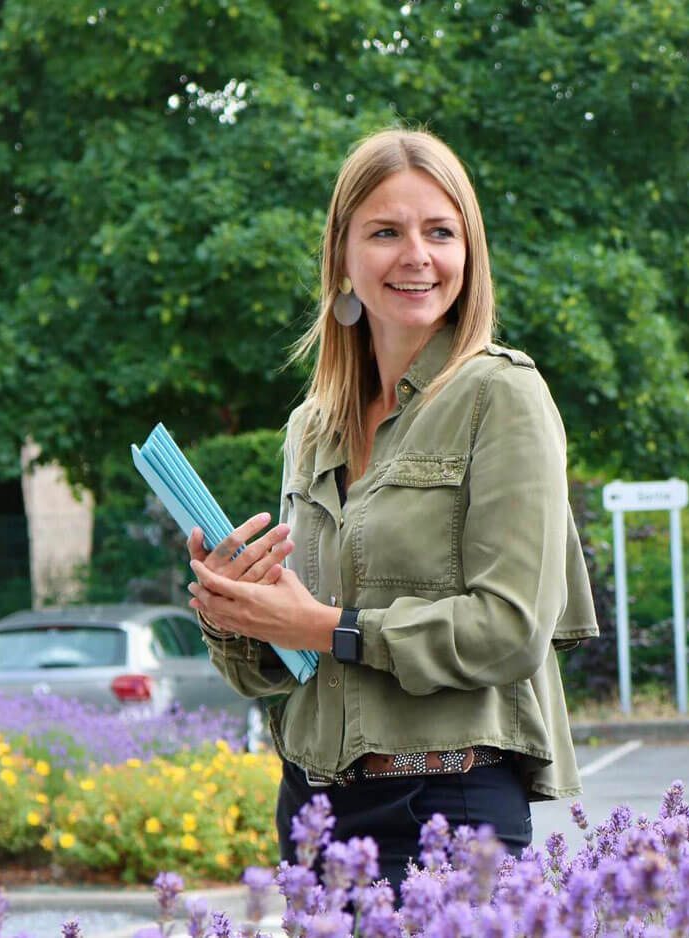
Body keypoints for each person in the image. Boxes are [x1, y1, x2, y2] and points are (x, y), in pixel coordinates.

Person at [186, 127, 599, 892]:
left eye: (440, 232)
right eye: (385, 232)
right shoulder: (311, 428)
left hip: (448, 810)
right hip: (312, 815)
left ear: (468, 254)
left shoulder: (501, 397)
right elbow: (289, 668)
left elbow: (509, 630)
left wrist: (327, 626)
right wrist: (235, 610)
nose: (417, 255)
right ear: (342, 259)